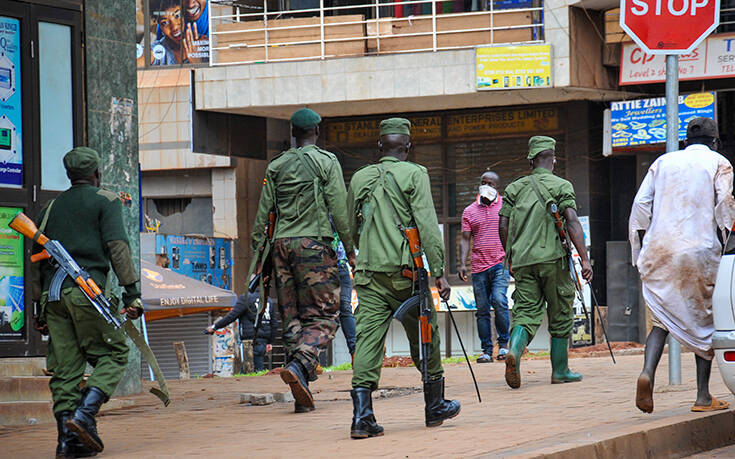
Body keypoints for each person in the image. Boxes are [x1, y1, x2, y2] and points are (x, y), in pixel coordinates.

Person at [346, 118, 460, 439]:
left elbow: (352, 226)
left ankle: (362, 418)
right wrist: (439, 272)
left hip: (369, 274)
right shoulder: (415, 174)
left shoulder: (359, 177)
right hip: (405, 275)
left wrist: (364, 251)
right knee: (426, 332)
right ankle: (434, 405)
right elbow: (426, 225)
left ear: (379, 146)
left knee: (368, 339)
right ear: (408, 147)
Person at [31, 147, 143, 457]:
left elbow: (36, 260)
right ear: (97, 174)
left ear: (69, 176)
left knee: (66, 370)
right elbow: (118, 247)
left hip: (53, 297)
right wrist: (132, 292)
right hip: (87, 292)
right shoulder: (105, 201)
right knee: (116, 352)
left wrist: (36, 306)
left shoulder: (51, 207)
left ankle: (67, 442)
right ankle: (85, 415)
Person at [251, 108, 354, 413]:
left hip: (281, 247)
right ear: (317, 133)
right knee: (324, 314)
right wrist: (349, 247)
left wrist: (259, 256)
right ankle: (299, 367)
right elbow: (339, 208)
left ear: (292, 134)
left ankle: (302, 391)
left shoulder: (277, 165)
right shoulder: (326, 161)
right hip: (314, 245)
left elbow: (263, 215)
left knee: (292, 316)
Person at [629, 117, 735, 414]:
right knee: (705, 321)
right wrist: (727, 241)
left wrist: (639, 251)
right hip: (699, 252)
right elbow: (725, 204)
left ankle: (647, 372)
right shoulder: (719, 162)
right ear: (715, 141)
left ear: (686, 141)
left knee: (663, 317)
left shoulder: (662, 162)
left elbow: (640, 207)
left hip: (659, 250)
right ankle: (702, 397)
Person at [498, 136, 592, 389]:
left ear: (531, 160)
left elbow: (503, 224)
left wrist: (511, 256)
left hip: (523, 261)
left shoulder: (514, 188)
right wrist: (584, 259)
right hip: (553, 260)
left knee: (525, 311)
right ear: (553, 160)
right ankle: (560, 371)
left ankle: (515, 351)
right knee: (560, 312)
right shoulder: (561, 185)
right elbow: (572, 220)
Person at [459, 171, 510, 363]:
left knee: (499, 300)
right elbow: (465, 239)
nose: (486, 186)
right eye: (483, 182)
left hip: (500, 263)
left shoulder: (506, 205)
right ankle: (487, 350)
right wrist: (462, 263)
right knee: (482, 309)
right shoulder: (469, 211)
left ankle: (504, 345)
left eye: (491, 183)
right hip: (478, 267)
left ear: (498, 187)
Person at [205, 291, 278, 372]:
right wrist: (270, 342)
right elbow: (274, 322)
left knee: (251, 371)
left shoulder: (246, 298)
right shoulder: (268, 300)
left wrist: (215, 326)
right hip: (263, 341)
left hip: (250, 341)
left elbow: (232, 316)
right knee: (256, 368)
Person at [332, 224, 357, 359]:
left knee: (345, 308)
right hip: (322, 267)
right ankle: (311, 356)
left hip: (341, 266)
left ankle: (355, 352)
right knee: (319, 312)